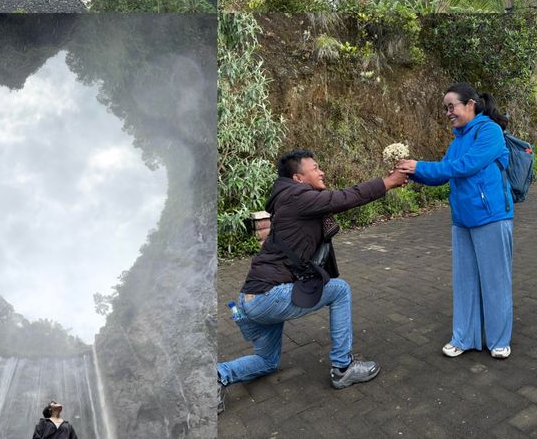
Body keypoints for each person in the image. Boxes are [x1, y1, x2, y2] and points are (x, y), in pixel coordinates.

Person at [217, 149, 408, 411]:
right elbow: (344, 198)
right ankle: (343, 367)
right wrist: (388, 182)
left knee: (267, 362)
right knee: (339, 291)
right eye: (315, 168)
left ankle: (216, 376)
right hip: (267, 297)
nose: (322, 172)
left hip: (252, 297)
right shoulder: (297, 196)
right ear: (298, 177)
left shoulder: (289, 198)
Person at [397, 82, 513, 359]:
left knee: (495, 281)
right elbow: (442, 173)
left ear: (470, 104)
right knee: (465, 281)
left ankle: (498, 340)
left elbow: (466, 166)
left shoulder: (490, 132)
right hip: (462, 219)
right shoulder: (458, 139)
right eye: (445, 108)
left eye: (452, 106)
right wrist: (410, 172)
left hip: (491, 216)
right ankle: (464, 337)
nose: (448, 112)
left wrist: (420, 166)